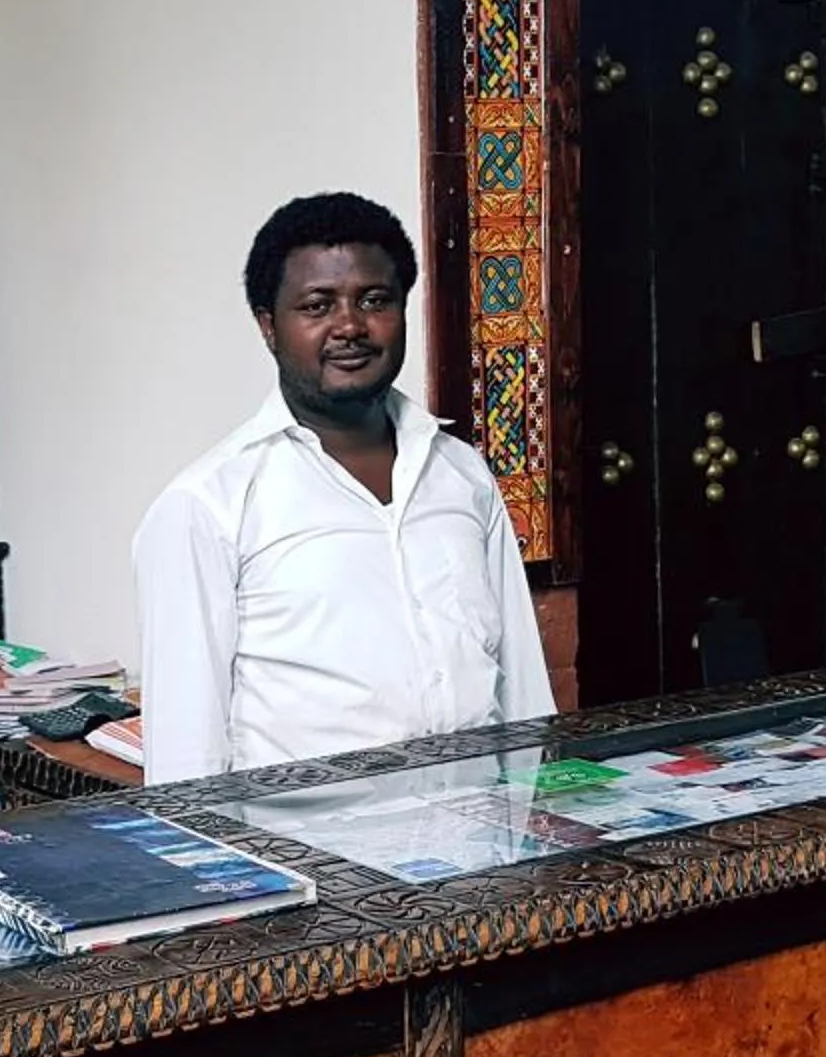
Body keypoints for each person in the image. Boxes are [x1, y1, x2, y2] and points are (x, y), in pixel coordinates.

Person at [134, 192, 554, 783]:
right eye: (317, 305)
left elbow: (524, 698)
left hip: (477, 854)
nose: (350, 326)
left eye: (375, 300)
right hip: (311, 862)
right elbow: (185, 761)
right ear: (268, 327)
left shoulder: (461, 475)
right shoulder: (208, 505)